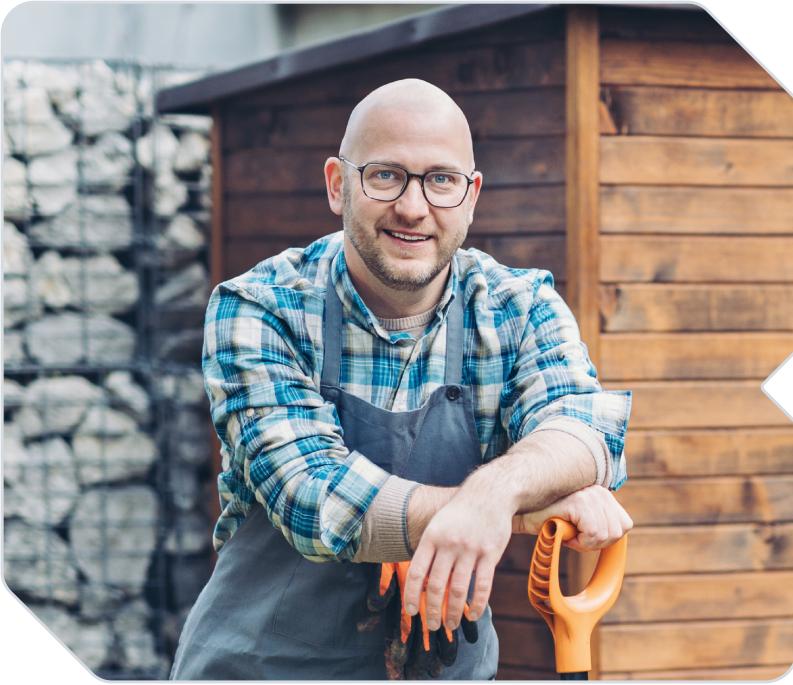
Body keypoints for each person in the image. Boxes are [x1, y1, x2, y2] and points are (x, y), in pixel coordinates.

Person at [170, 79, 633, 681]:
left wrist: (492, 497)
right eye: (385, 175)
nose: (414, 208)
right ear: (338, 185)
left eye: (441, 180)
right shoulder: (261, 308)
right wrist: (512, 510)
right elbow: (315, 499)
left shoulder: (517, 308)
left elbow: (585, 430)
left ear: (471, 196)